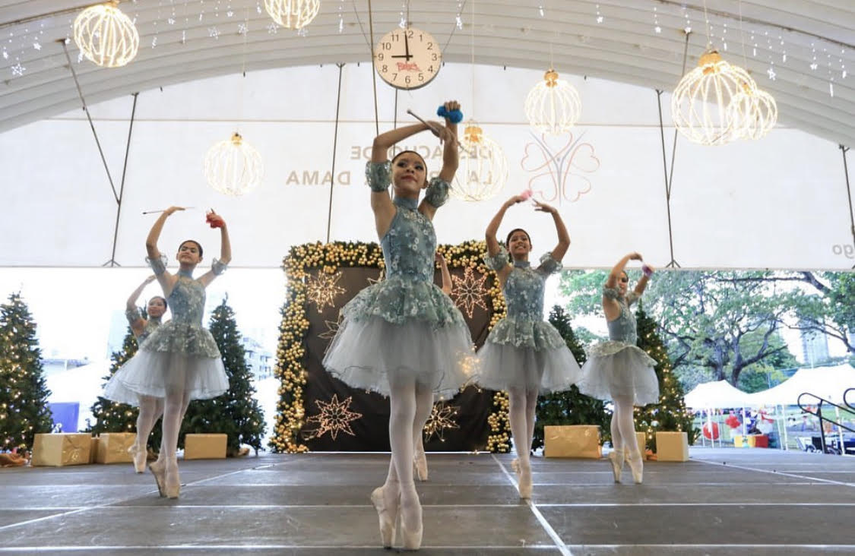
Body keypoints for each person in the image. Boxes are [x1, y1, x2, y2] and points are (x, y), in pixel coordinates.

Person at [323, 101, 473, 550]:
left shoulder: (426, 214)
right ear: (391, 176)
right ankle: (408, 498)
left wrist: (448, 129)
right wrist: (421, 127)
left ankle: (387, 492)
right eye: (402, 165)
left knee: (423, 406)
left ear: (425, 181)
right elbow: (377, 145)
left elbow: (451, 162)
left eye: (416, 166)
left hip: (427, 312)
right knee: (405, 406)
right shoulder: (385, 211)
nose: (409, 168)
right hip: (393, 310)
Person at [104, 207, 230, 498]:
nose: (187, 251)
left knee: (182, 405)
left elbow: (225, 260)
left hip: (195, 343)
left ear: (199, 259)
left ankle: (163, 460)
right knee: (173, 404)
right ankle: (170, 465)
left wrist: (223, 227)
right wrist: (167, 215)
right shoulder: (169, 282)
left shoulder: (201, 282)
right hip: (174, 342)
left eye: (193, 250)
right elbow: (150, 246)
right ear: (177, 256)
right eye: (183, 248)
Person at [476, 195, 582, 498]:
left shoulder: (541, 272)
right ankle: (523, 461)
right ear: (509, 249)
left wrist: (554, 212)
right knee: (517, 398)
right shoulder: (505, 271)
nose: (519, 241)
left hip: (537, 336)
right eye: (514, 239)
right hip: (511, 336)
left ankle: (524, 459)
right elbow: (488, 236)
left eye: (524, 238)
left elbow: (565, 242)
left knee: (532, 397)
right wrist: (506, 206)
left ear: (531, 247)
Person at [577, 253, 659, 484]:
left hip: (627, 357)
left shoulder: (625, 303)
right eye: (620, 280)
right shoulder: (610, 302)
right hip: (618, 358)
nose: (622, 282)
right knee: (625, 407)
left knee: (620, 407)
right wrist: (629, 257)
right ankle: (635, 457)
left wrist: (646, 274)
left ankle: (619, 455)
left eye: (626, 280)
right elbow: (612, 275)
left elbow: (639, 290)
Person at [412, 252, 454, 483]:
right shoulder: (408, 297)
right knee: (407, 405)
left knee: (424, 404)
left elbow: (447, 286)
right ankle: (415, 453)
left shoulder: (436, 298)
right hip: (407, 352)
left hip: (429, 354)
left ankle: (416, 452)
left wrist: (443, 264)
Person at [124, 275, 168, 473]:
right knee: (148, 407)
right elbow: (130, 303)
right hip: (144, 367)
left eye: (159, 304)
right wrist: (145, 283)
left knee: (159, 409)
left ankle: (137, 444)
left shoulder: (168, 328)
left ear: (165, 309)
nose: (155, 306)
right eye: (151, 303)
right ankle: (140, 449)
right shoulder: (141, 324)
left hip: (163, 369)